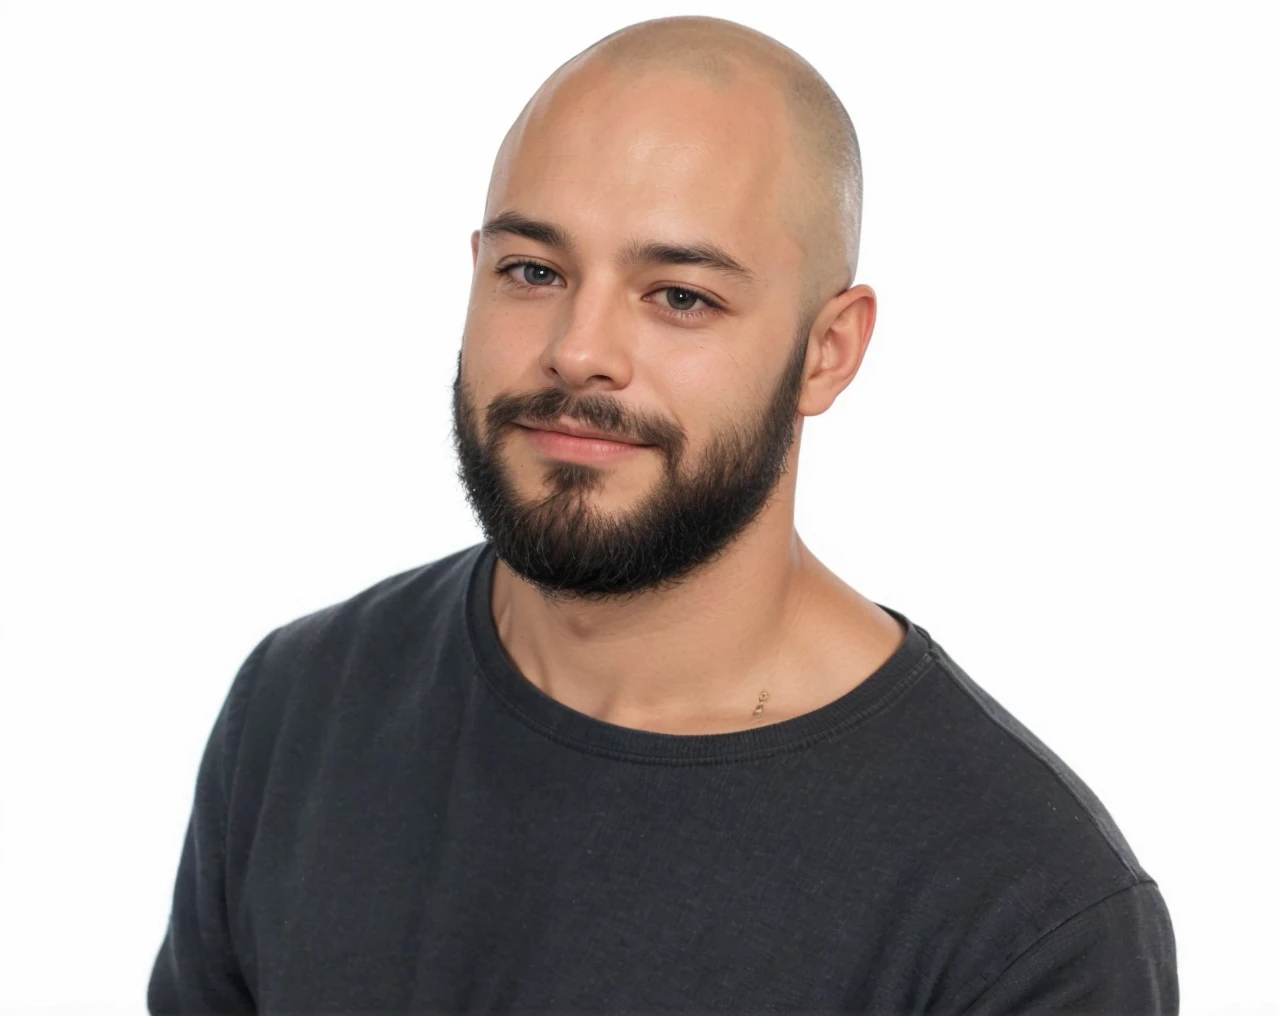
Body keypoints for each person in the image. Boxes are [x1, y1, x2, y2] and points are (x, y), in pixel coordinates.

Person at [148, 15, 1178, 1014]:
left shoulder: (1023, 911)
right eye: (532, 271)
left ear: (827, 352)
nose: (577, 347)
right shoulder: (300, 708)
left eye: (679, 294)